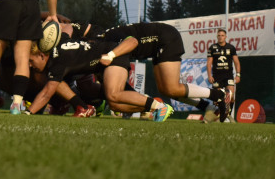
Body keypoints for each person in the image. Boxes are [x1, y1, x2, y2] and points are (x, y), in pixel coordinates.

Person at [26, 27, 175, 121]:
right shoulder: (59, 42)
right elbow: (65, 27)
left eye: (31, 61)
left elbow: (46, 93)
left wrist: (28, 113)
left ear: (41, 55)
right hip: (107, 58)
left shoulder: (57, 62)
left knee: (114, 94)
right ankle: (151, 106)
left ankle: (159, 106)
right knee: (115, 105)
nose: (30, 66)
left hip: (113, 54)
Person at [97, 22, 229, 121]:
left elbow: (132, 42)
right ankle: (208, 107)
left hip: (166, 38)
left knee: (172, 88)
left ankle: (219, 94)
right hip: (157, 44)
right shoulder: (104, 39)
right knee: (165, 90)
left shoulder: (105, 43)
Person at [207, 28, 241, 117]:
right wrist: (209, 75)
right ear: (217, 37)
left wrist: (238, 75)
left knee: (231, 96)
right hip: (217, 76)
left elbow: (236, 62)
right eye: (219, 35)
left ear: (226, 37)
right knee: (217, 99)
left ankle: (228, 114)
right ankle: (220, 114)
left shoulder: (231, 47)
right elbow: (209, 63)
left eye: (222, 35)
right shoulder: (213, 48)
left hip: (228, 76)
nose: (220, 37)